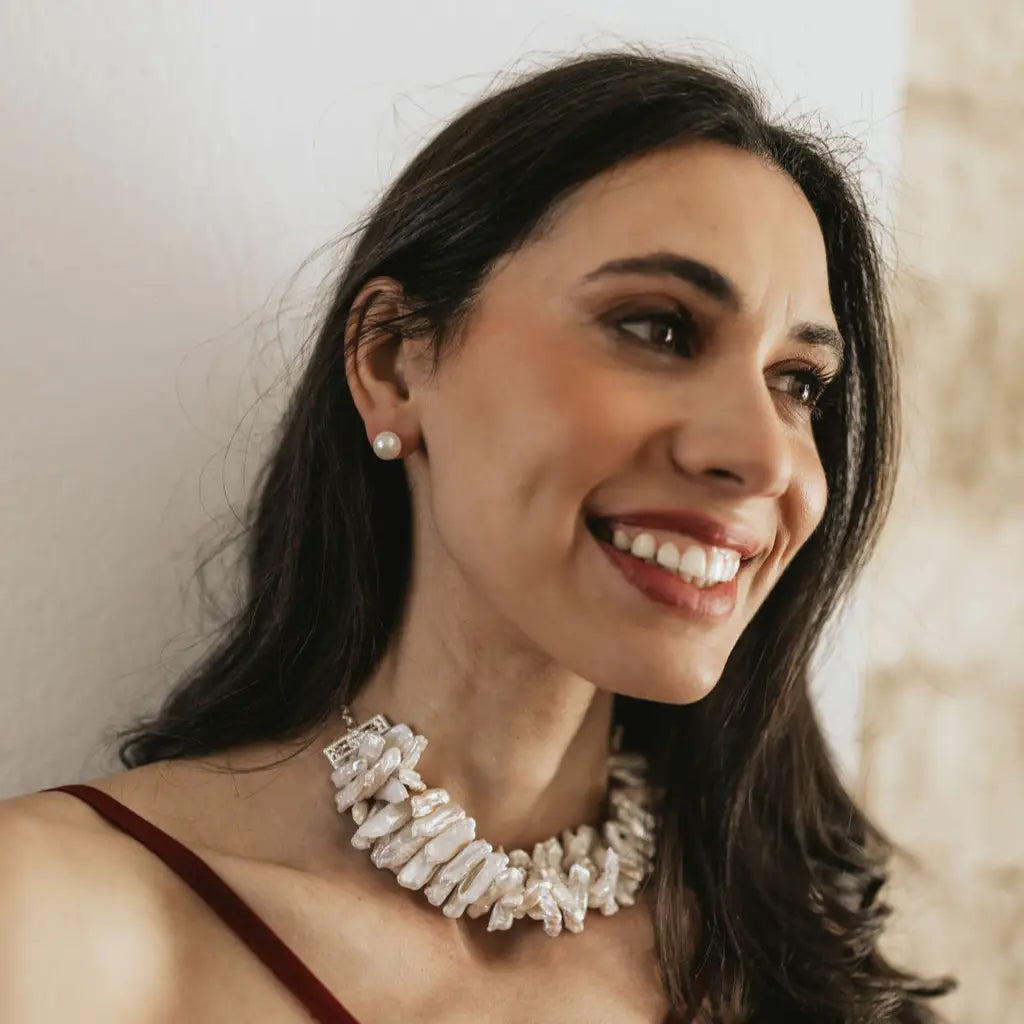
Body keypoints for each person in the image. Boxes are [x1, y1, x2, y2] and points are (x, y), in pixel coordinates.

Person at [0, 46, 955, 1023]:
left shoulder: (802, 975)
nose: (760, 455)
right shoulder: (50, 924)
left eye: (797, 383)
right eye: (658, 328)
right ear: (391, 362)